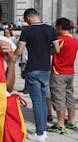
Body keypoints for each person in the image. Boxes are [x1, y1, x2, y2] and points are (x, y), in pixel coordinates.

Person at [14, 8, 60, 141]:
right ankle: (43, 129)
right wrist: (46, 50)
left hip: (32, 68)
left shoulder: (27, 31)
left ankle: (40, 133)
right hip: (46, 68)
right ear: (38, 16)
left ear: (27, 18)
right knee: (44, 99)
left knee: (37, 101)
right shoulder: (50, 29)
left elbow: (19, 50)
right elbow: (56, 49)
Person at [47, 17, 78, 134]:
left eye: (56, 27)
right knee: (69, 97)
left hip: (58, 72)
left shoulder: (59, 40)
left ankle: (60, 124)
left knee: (59, 98)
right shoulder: (75, 40)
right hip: (70, 72)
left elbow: (52, 51)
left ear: (59, 28)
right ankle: (71, 121)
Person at [18, 22, 29, 94]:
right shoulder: (22, 35)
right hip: (22, 58)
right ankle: (25, 88)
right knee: (24, 74)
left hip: (27, 57)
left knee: (27, 74)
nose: (23, 28)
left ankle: (27, 89)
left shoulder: (29, 35)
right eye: (23, 27)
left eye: (25, 27)